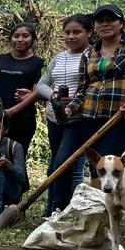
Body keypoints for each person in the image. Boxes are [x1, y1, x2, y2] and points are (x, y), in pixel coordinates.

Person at [64, 4, 125, 177]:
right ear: (94, 27)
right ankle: (100, 204)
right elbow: (82, 90)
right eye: (100, 21)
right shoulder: (89, 53)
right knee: (96, 166)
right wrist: (69, 108)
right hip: (90, 117)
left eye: (111, 20)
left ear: (121, 24)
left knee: (109, 162)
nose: (105, 24)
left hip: (121, 118)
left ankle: (108, 202)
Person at [37, 14, 93, 215]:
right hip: (54, 117)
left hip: (77, 119)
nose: (71, 36)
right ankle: (50, 208)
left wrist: (77, 100)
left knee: (63, 163)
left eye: (77, 32)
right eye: (67, 32)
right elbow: (42, 84)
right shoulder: (59, 57)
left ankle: (58, 209)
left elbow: (94, 87)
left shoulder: (93, 56)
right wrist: (53, 95)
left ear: (89, 33)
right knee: (55, 164)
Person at [0, 22, 43, 154]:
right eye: (16, 36)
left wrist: (11, 112)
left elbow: (37, 92)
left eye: (25, 36)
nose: (20, 39)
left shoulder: (38, 63)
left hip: (23, 119)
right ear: (10, 38)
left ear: (33, 39)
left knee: (17, 158)